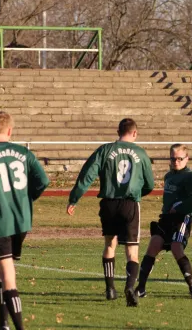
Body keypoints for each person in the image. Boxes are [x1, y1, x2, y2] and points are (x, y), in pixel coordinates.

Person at [66, 118, 154, 307]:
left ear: (118, 131)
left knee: (110, 245)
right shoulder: (140, 152)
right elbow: (150, 184)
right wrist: (138, 193)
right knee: (132, 251)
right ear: (135, 133)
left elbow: (87, 174)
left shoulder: (105, 150)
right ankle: (130, 287)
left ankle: (110, 288)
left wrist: (74, 198)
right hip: (130, 204)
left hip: (109, 203)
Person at [0, 111, 50, 330]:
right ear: (10, 130)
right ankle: (3, 322)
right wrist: (25, 198)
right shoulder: (24, 152)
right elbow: (43, 181)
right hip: (21, 222)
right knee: (2, 268)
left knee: (8, 274)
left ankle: (19, 327)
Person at [135, 144, 192, 298]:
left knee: (176, 248)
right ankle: (140, 288)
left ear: (187, 159)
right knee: (153, 247)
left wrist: (182, 207)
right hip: (166, 219)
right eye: (173, 158)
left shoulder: (191, 177)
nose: (176, 161)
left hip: (182, 219)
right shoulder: (169, 176)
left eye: (180, 158)